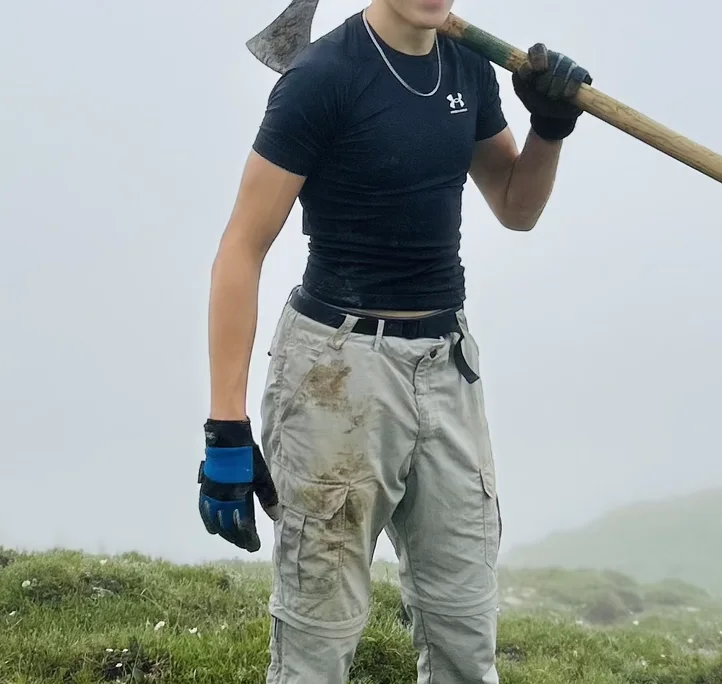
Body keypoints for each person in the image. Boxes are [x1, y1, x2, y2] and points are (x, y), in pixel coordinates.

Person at [196, 0, 590, 681]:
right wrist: (224, 427)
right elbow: (241, 246)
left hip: (448, 368)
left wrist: (548, 128)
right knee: (318, 638)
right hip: (336, 375)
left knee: (465, 632)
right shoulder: (323, 78)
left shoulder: (467, 61)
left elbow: (516, 206)